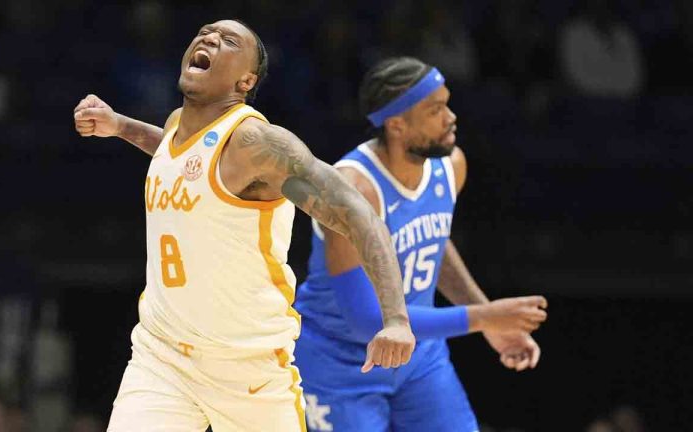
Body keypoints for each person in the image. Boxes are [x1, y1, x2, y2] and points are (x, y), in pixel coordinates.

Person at [72, 20, 416, 432]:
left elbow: (358, 213)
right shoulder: (178, 126)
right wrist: (120, 126)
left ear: (245, 80)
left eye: (228, 40)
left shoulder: (258, 145)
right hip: (161, 358)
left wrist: (396, 319)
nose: (208, 38)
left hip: (246, 371)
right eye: (204, 32)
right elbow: (172, 152)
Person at [293, 57, 548, 432]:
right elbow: (366, 322)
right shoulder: (351, 189)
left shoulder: (451, 165)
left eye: (447, 103)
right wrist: (484, 317)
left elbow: (434, 243)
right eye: (435, 110)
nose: (451, 117)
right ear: (397, 125)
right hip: (341, 361)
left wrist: (487, 317)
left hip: (419, 357)